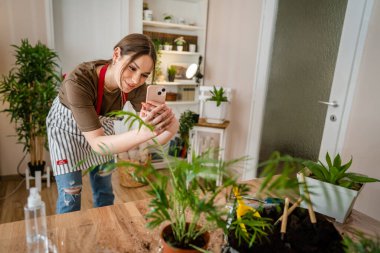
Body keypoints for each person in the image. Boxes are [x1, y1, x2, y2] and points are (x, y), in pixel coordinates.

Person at [46, 33, 179, 214]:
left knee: (105, 191)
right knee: (71, 194)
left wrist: (171, 129)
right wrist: (143, 133)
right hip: (66, 131)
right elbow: (99, 144)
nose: (135, 80)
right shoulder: (78, 82)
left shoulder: (137, 87)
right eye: (132, 68)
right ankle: (65, 241)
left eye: (144, 75)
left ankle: (106, 236)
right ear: (116, 55)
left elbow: (157, 139)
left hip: (101, 132)